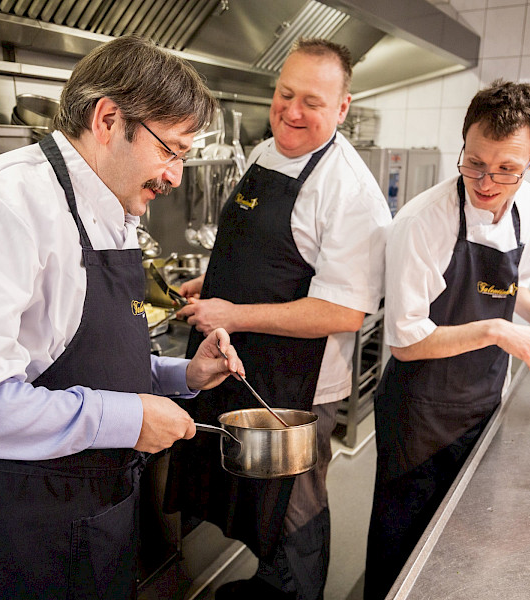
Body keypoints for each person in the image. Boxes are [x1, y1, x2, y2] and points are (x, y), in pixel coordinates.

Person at [0, 36, 242, 600]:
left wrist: (180, 377)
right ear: (108, 119)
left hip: (80, 524)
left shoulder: (111, 211)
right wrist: (124, 420)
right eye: (171, 149)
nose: (174, 175)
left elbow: (76, 359)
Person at [164, 39, 391, 600]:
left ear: (342, 108)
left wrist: (234, 311)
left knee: (293, 506)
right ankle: (269, 587)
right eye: (284, 94)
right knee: (255, 499)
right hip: (246, 363)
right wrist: (212, 284)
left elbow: (343, 309)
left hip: (298, 380)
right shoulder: (268, 152)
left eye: (311, 101)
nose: (292, 111)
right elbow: (265, 254)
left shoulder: (349, 191)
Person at [364, 79, 530, 600]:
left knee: (458, 539)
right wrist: (495, 329)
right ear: (462, 144)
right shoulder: (423, 220)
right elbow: (406, 340)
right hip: (418, 412)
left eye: (506, 168)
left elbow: (517, 284)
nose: (486, 182)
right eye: (474, 162)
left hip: (482, 398)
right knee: (400, 542)